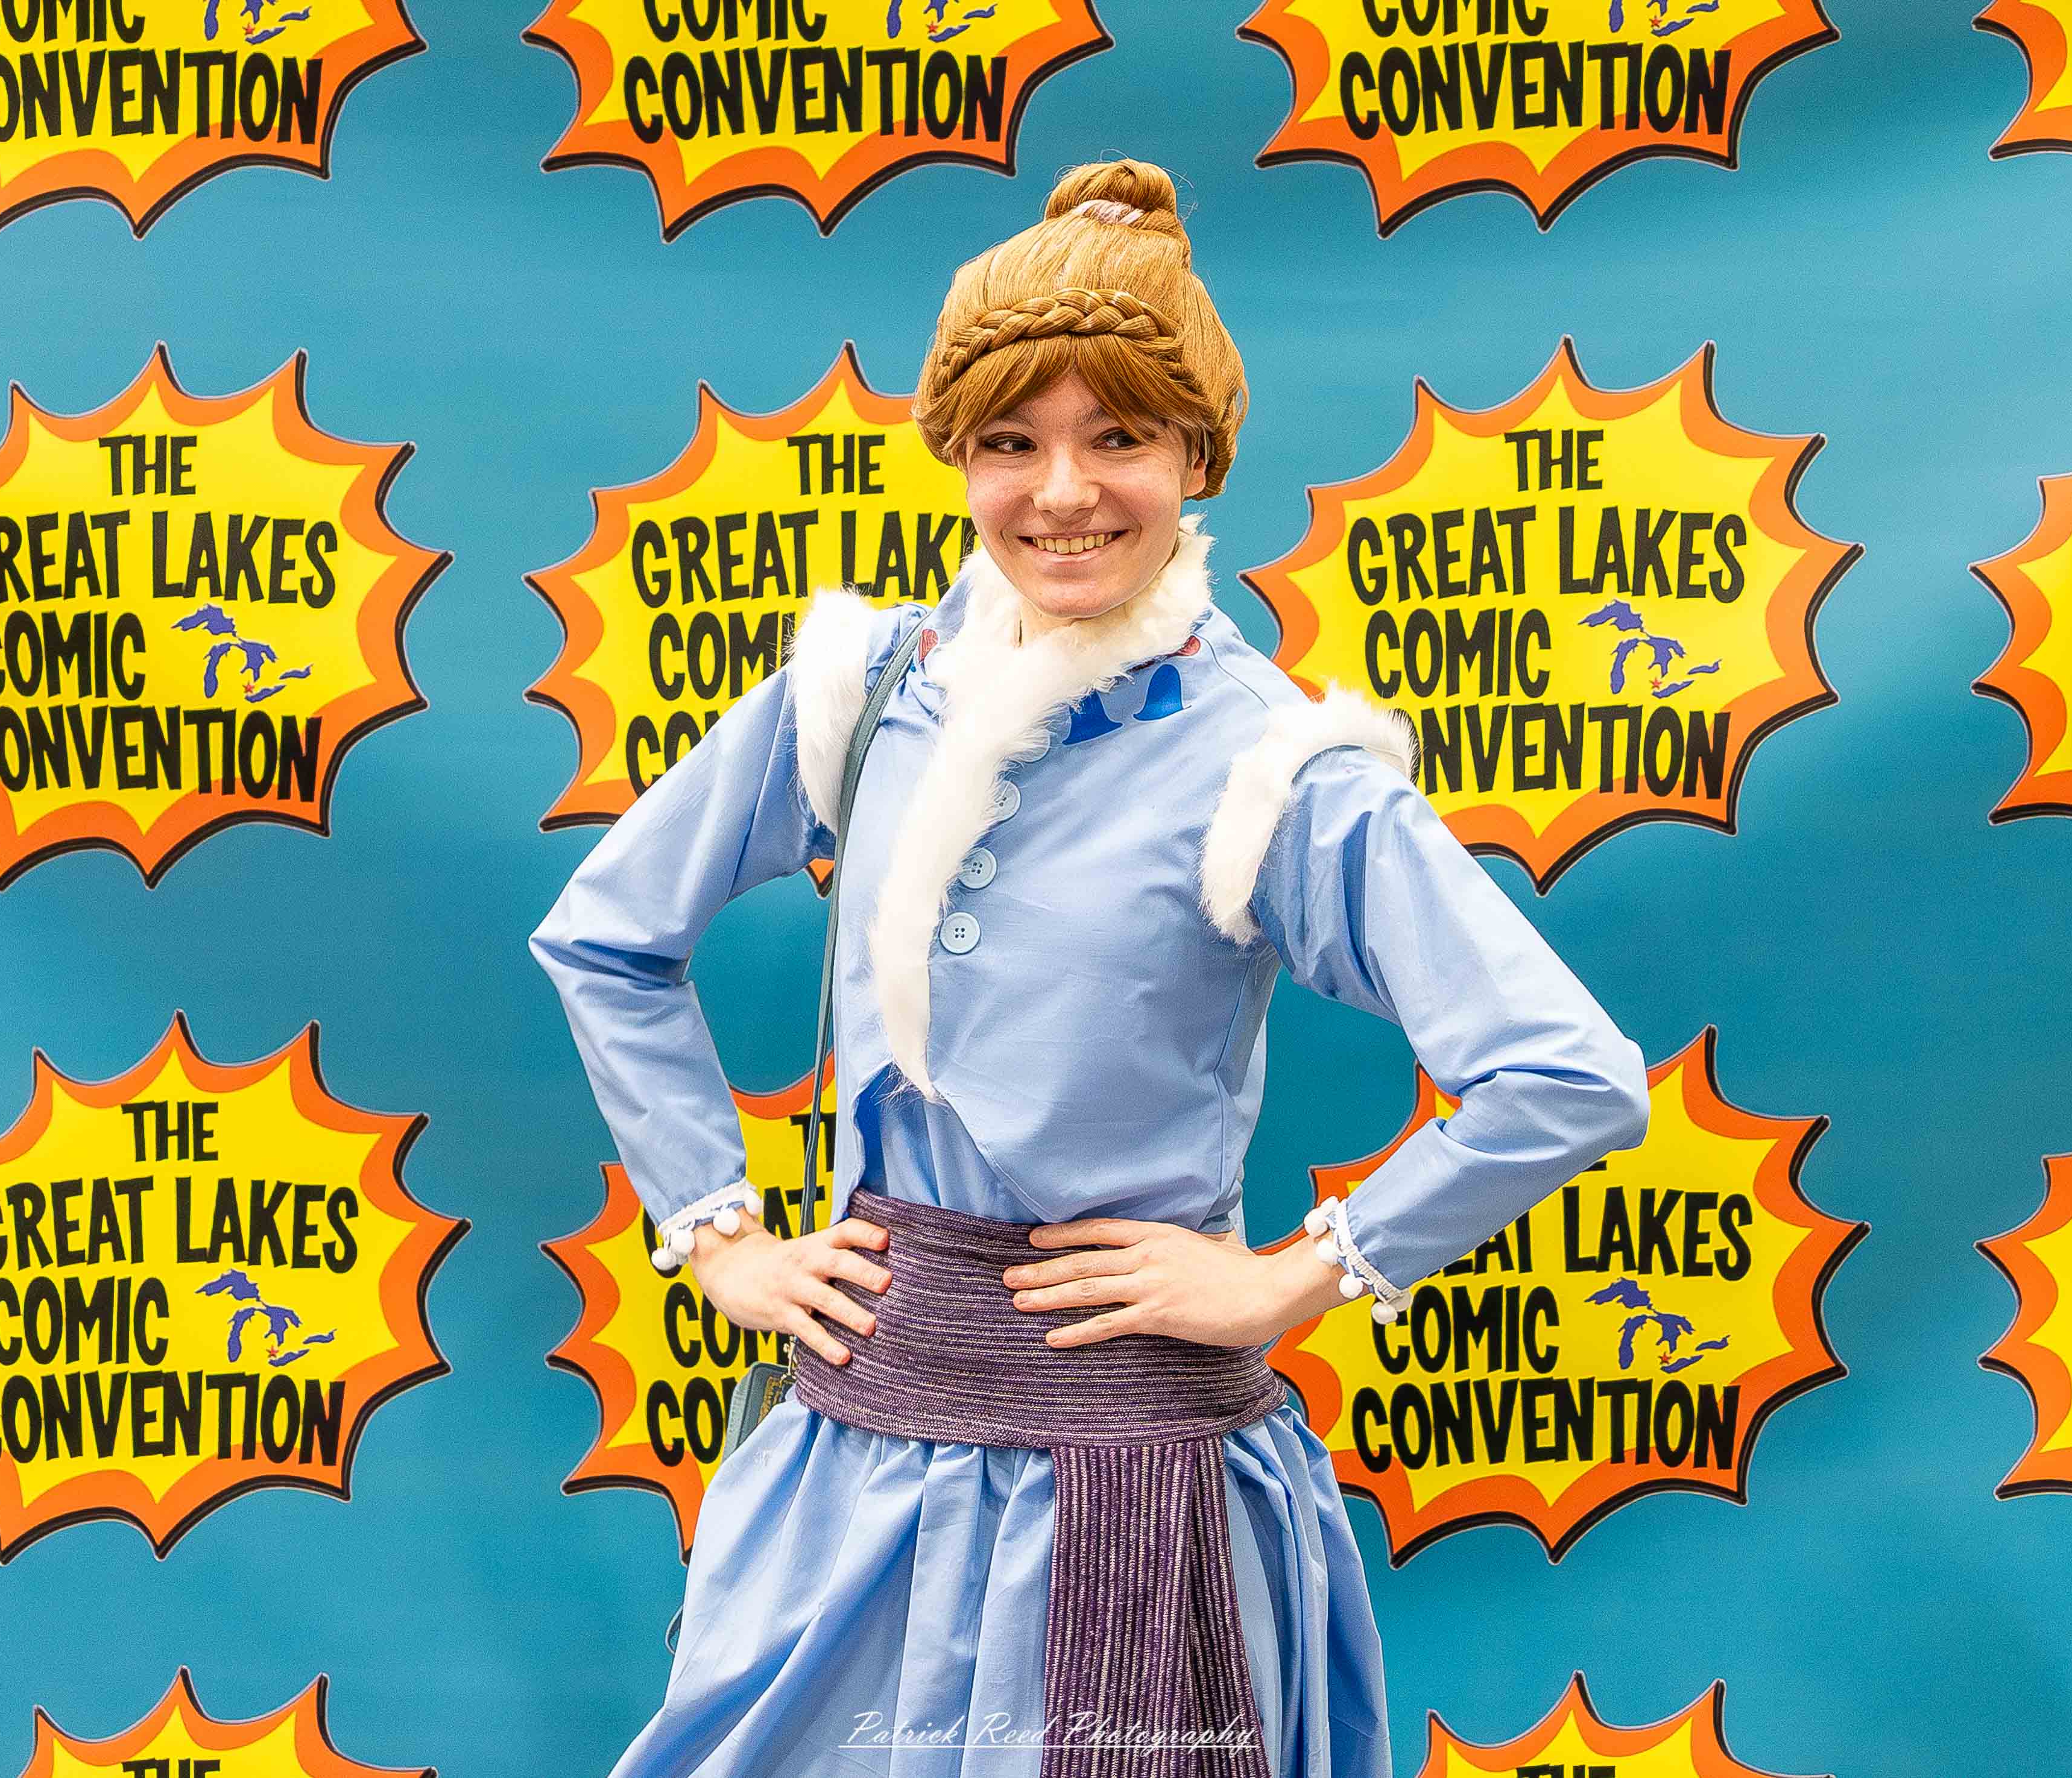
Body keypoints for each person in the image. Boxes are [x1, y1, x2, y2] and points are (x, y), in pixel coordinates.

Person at [529, 157, 1652, 1778]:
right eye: (1012, 443)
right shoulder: (858, 695)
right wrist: (717, 1234)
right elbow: (609, 939)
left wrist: (1288, 1280)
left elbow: (1567, 1074)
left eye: (1118, 436)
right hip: (851, 1474)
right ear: (961, 459)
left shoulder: (1278, 767)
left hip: (1137, 1492)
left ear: (1197, 455)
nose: (1065, 491)